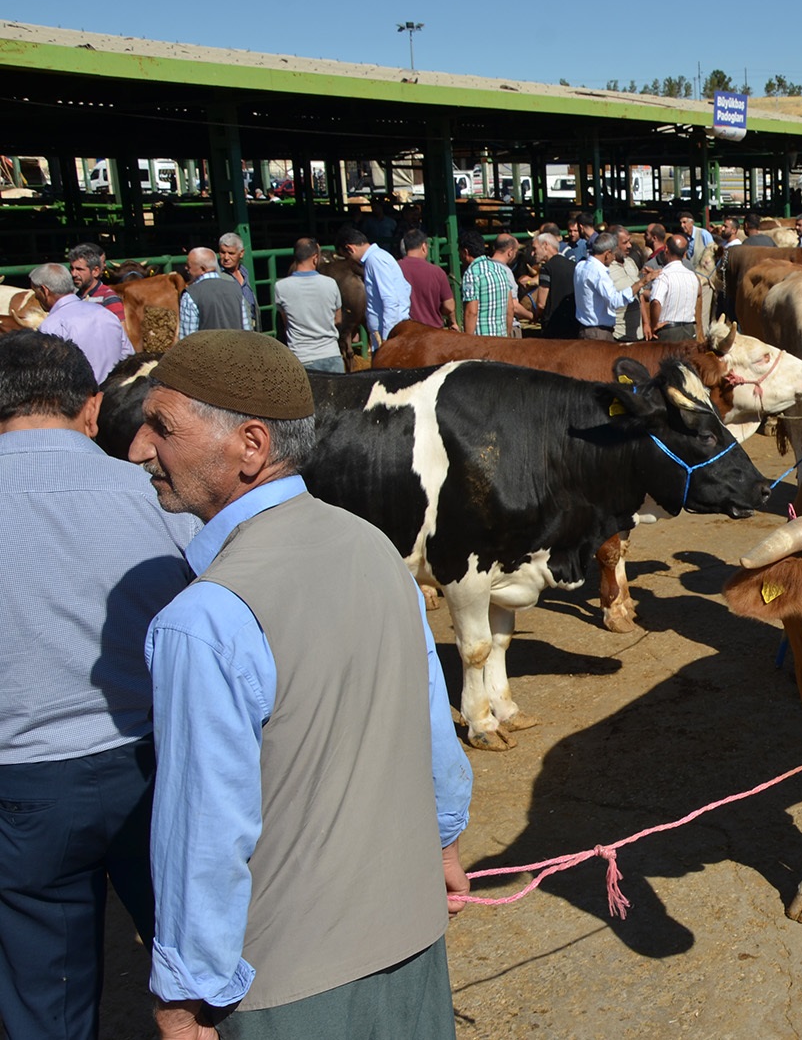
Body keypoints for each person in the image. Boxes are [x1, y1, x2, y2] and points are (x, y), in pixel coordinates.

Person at [131, 330, 473, 1039]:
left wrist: (186, 991)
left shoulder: (204, 618)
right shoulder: (373, 546)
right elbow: (430, 727)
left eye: (161, 425)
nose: (139, 448)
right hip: (409, 936)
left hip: (289, 981)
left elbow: (206, 828)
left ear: (251, 445)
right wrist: (441, 844)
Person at [0, 332, 197, 1040]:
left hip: (22, 781)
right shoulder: (155, 496)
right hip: (150, 762)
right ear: (92, 408)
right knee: (194, 952)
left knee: (43, 990)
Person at [31, 262, 134, 381]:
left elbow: (49, 375)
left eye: (35, 292)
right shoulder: (106, 313)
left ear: (45, 290)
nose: (36, 297)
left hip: (79, 397)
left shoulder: (51, 326)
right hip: (114, 394)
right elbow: (128, 355)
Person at [271, 238, 344, 372]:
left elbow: (286, 322)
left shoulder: (280, 287)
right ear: (315, 258)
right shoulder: (330, 284)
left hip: (301, 357)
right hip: (331, 354)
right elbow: (338, 319)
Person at [335, 226, 411, 347]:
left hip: (387, 335)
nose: (350, 261)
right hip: (389, 331)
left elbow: (390, 299)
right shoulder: (379, 257)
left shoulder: (374, 260)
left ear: (350, 248)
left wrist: (387, 338)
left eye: (347, 257)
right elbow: (406, 288)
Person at [574, 231, 651, 340]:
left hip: (586, 329)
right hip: (599, 333)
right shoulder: (600, 273)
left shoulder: (580, 266)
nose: (614, 258)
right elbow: (615, 301)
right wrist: (641, 283)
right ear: (607, 253)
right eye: (613, 255)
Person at [179, 248, 251, 340]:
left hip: (207, 352)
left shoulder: (190, 294)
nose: (186, 268)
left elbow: (187, 339)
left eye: (189, 266)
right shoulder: (235, 288)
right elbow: (246, 328)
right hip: (236, 350)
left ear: (203, 269)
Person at [459, 230, 517, 338]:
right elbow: (510, 307)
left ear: (465, 252)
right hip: (501, 339)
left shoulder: (472, 273)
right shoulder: (500, 270)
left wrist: (467, 341)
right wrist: (507, 334)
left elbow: (471, 312)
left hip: (482, 342)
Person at [398, 229, 456, 330]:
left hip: (406, 332)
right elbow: (449, 306)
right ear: (424, 247)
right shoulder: (437, 272)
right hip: (433, 332)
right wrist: (451, 320)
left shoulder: (395, 269)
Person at [648, 235, 700, 342]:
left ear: (666, 249)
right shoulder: (692, 276)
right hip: (689, 329)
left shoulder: (664, 276)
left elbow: (656, 302)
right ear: (685, 253)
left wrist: (654, 325)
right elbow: (699, 295)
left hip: (669, 331)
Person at [531, 232, 579, 338]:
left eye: (535, 249)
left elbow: (541, 304)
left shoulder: (547, 269)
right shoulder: (574, 266)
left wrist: (536, 315)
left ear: (545, 245)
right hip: (573, 323)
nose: (533, 253)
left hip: (553, 326)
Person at [66, 242, 125, 321]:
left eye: (79, 269)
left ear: (95, 271)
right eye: (72, 269)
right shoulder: (75, 297)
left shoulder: (108, 298)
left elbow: (120, 330)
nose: (73, 274)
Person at [216, 233, 260, 332]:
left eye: (231, 253)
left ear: (241, 253)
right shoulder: (217, 275)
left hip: (252, 329)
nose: (226, 257)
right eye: (222, 252)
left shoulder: (244, 272)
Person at [607, 225, 644, 341]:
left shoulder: (631, 263)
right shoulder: (606, 270)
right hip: (619, 334)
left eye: (629, 241)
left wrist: (647, 324)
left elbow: (640, 296)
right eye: (625, 242)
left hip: (639, 333)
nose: (629, 246)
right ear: (613, 245)